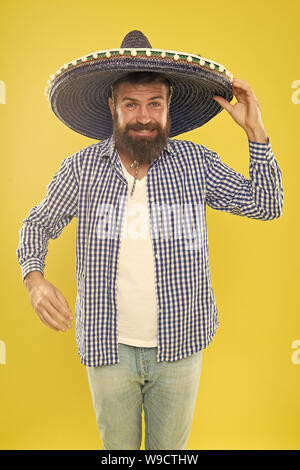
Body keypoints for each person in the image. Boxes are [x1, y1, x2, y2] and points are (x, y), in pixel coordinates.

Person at [16, 30, 283, 450]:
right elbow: (36, 224)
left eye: (154, 104)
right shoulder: (81, 170)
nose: (144, 116)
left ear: (168, 106)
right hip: (108, 350)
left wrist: (256, 133)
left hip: (181, 345)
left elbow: (266, 205)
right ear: (113, 107)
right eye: (131, 104)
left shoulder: (197, 163)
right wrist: (34, 279)